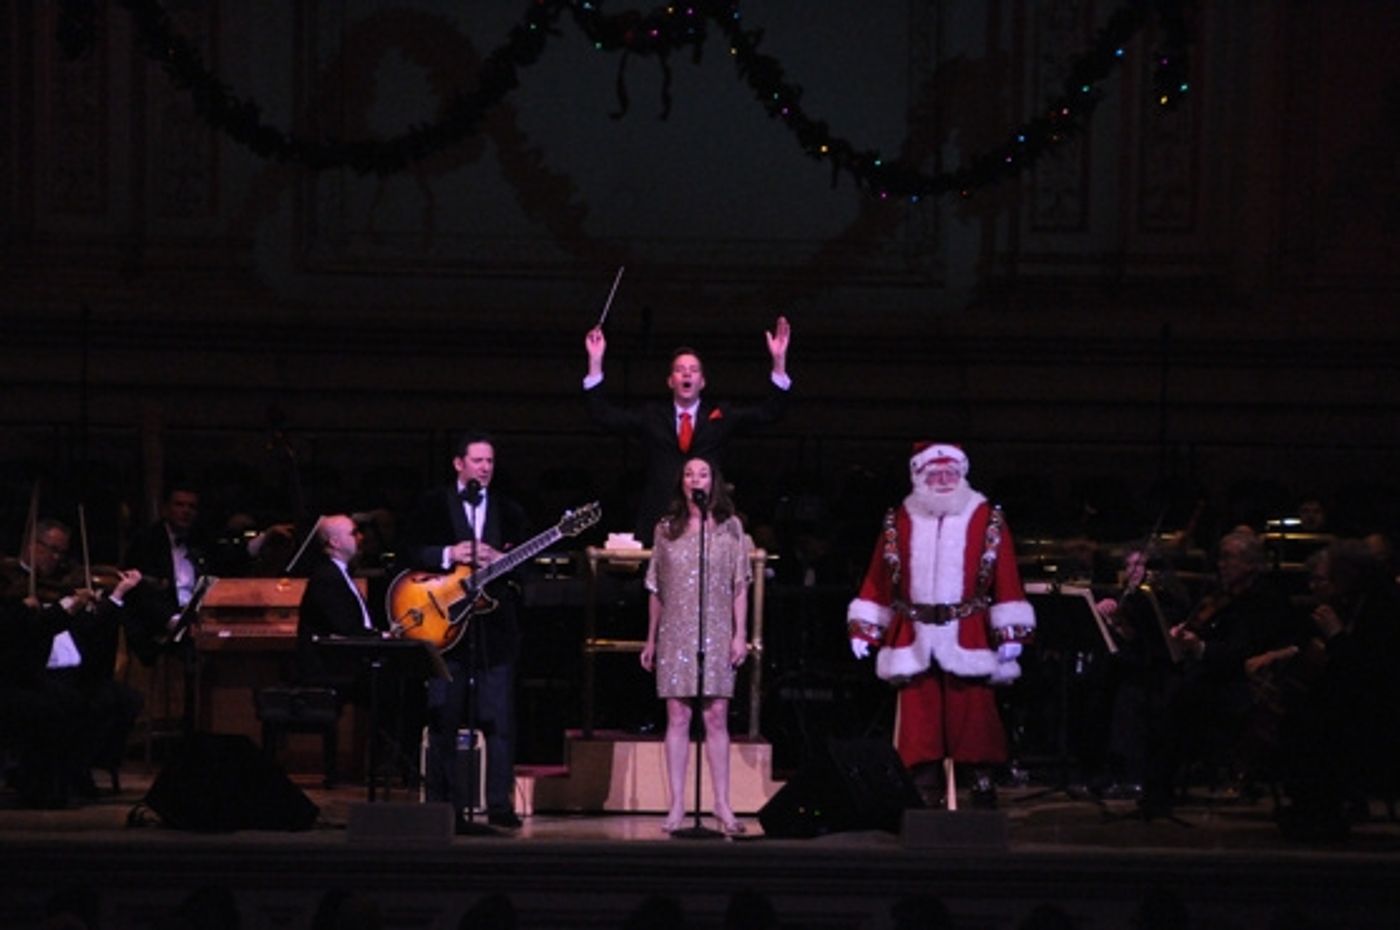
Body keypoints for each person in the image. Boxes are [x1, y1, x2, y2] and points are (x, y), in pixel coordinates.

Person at [846, 443, 1035, 808]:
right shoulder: (900, 517)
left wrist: (1011, 630)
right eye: (936, 474)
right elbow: (878, 577)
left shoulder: (984, 516)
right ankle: (922, 789)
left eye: (951, 473)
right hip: (914, 634)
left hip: (968, 631)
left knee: (974, 715)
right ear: (920, 477)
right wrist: (865, 627)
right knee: (920, 721)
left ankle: (980, 785)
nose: (944, 480)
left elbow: (1006, 573)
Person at [400, 431, 529, 830]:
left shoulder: (509, 509)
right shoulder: (432, 504)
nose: (485, 468)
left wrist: (503, 559)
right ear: (459, 464)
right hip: (445, 626)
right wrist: (447, 554)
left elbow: (527, 567)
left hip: (493, 629)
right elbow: (405, 551)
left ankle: (499, 805)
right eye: (477, 461)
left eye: (490, 461)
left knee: (499, 719)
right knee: (444, 716)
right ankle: (444, 804)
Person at [583, 316, 791, 545]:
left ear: (702, 382)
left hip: (707, 519)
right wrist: (595, 362)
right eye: (680, 370)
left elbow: (769, 413)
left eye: (693, 370)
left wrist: (779, 362)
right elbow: (604, 416)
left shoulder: (720, 415)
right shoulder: (652, 416)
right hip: (657, 519)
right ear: (671, 381)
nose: (687, 374)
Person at [1141, 529, 1299, 816]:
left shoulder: (1263, 598)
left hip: (1246, 684)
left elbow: (1243, 652)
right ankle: (1154, 784)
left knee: (1175, 700)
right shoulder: (1223, 594)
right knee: (1158, 686)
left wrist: (1199, 647)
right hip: (1216, 676)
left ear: (1251, 564)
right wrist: (1183, 632)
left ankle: (1160, 788)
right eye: (1220, 558)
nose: (1221, 565)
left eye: (1229, 559)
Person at [641, 457, 752, 834]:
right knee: (678, 716)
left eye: (702, 473)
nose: (695, 479)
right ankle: (675, 806)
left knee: (717, 716)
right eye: (689, 474)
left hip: (718, 630)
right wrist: (651, 638)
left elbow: (740, 585)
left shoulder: (730, 528)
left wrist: (740, 634)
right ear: (681, 482)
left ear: (713, 481)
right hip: (676, 631)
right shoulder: (665, 529)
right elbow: (656, 586)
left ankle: (722, 803)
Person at [0, 518, 144, 804]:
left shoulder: (60, 585)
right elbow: (21, 635)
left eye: (61, 553)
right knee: (68, 702)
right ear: (32, 545)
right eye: (51, 550)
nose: (56, 559)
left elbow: (88, 630)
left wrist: (115, 597)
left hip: (66, 673)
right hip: (25, 675)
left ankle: (79, 767)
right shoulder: (8, 586)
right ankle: (44, 779)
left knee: (124, 699)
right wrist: (48, 610)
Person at [295, 514, 386, 686]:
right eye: (354, 533)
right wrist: (381, 636)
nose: (361, 537)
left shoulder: (340, 573)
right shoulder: (326, 577)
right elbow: (345, 627)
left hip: (345, 666)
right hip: (331, 672)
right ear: (335, 542)